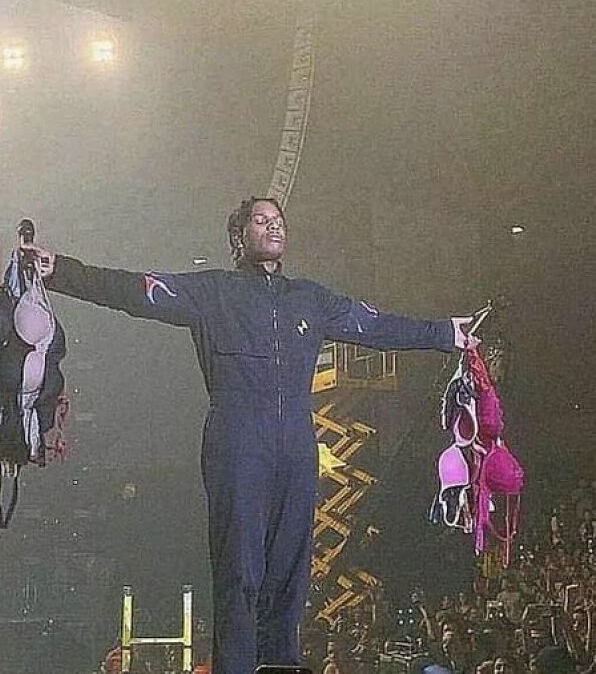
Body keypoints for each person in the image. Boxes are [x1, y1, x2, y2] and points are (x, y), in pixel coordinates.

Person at [24, 197, 477, 674]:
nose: (274, 226)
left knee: (292, 561)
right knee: (240, 564)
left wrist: (445, 333)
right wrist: (60, 271)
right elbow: (136, 290)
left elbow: (375, 325)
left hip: (297, 442)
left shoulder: (310, 298)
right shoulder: (212, 292)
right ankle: (237, 664)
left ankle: (280, 662)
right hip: (237, 438)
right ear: (238, 237)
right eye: (261, 220)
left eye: (278, 220)